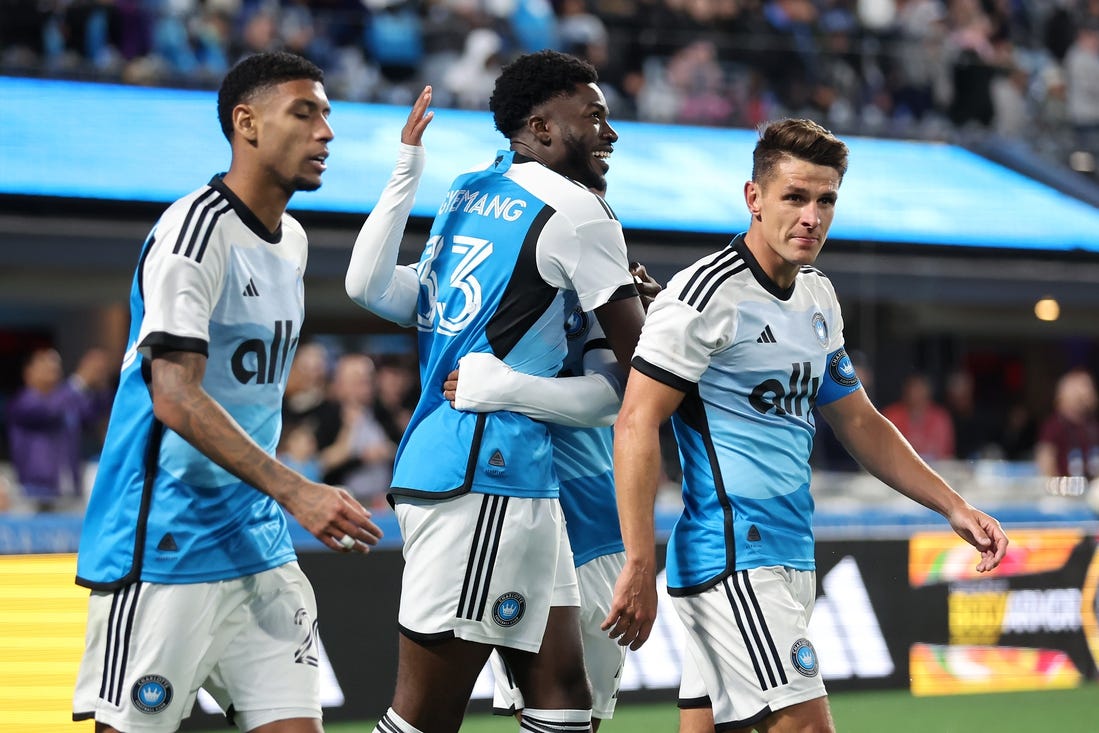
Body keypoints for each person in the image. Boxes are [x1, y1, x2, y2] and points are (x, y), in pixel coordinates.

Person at [602, 118, 1010, 733]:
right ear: (754, 198)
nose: (811, 216)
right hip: (736, 556)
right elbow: (635, 423)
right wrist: (638, 562)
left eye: (825, 200)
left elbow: (860, 420)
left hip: (787, 551)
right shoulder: (705, 296)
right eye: (795, 196)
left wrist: (952, 506)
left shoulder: (818, 296)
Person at [72, 51, 383, 733]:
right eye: (304, 112)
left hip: (258, 545)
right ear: (246, 122)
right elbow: (174, 397)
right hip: (163, 547)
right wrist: (298, 488)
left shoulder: (292, 241)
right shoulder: (192, 232)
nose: (325, 131)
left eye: (327, 115)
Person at [345, 50, 646, 733]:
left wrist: (405, 171)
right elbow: (644, 369)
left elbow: (368, 287)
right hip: (486, 471)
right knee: (425, 714)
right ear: (539, 128)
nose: (610, 132)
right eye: (593, 115)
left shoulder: (469, 190)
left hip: (486, 468)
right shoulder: (581, 211)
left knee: (562, 692)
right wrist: (672, 318)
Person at [6, 346, 113, 511]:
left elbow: (95, 413)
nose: (52, 366)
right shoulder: (22, 403)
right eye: (45, 362)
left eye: (55, 362)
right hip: (35, 495)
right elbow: (48, 411)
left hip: (69, 494)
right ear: (28, 372)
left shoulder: (66, 402)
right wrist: (80, 380)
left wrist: (100, 383)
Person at [1035, 368, 1099, 480]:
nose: (1085, 392)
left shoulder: (1092, 425)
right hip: (1064, 491)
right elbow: (1045, 460)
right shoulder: (1054, 426)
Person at [881, 372, 956, 462]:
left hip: (934, 469)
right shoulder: (891, 415)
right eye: (913, 389)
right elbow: (883, 450)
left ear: (928, 392)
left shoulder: (940, 418)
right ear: (905, 391)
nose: (916, 394)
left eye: (920, 389)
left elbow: (946, 453)